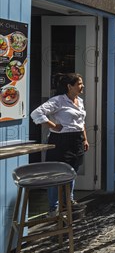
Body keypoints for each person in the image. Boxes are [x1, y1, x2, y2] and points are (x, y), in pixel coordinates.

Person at [31, 73, 89, 216]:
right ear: (69, 86)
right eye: (79, 84)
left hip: (77, 140)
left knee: (72, 172)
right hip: (60, 140)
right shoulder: (58, 101)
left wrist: (85, 139)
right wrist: (53, 125)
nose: (82, 86)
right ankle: (53, 207)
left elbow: (81, 123)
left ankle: (68, 201)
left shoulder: (79, 101)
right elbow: (36, 113)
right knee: (56, 174)